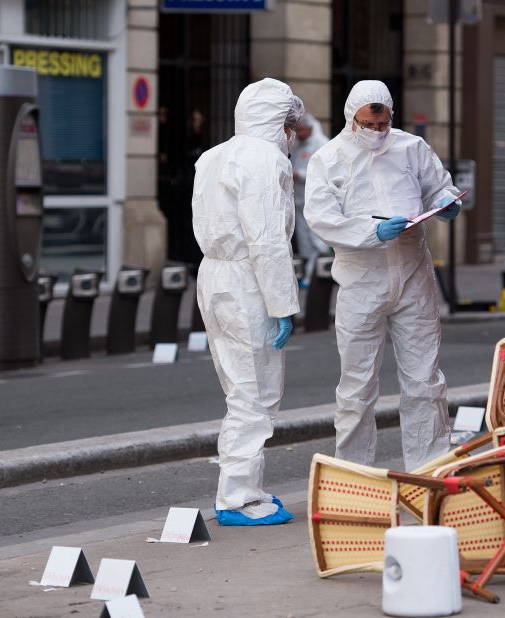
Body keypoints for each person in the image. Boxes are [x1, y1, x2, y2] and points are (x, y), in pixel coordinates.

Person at [304, 80, 461, 471]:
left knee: (425, 382)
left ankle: (430, 472)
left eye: (382, 124)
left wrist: (444, 202)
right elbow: (321, 218)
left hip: (413, 275)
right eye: (367, 124)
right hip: (361, 280)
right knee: (357, 388)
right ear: (350, 118)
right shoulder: (329, 159)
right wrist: (371, 233)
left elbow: (440, 187)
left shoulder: (411, 148)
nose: (375, 132)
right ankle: (355, 478)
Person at [192, 78, 304, 526]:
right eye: (289, 123)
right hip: (247, 281)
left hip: (213, 274)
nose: (292, 133)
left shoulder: (212, 155)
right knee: (254, 395)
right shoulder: (265, 159)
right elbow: (267, 240)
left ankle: (245, 485)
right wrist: (283, 305)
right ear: (278, 122)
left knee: (238, 386)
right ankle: (237, 497)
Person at [291, 113, 330, 285]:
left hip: (315, 202)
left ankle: (319, 275)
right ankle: (307, 276)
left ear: (310, 128)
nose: (299, 133)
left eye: (302, 130)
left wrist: (298, 174)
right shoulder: (300, 146)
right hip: (300, 201)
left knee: (317, 240)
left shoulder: (321, 144)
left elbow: (324, 174)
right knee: (304, 240)